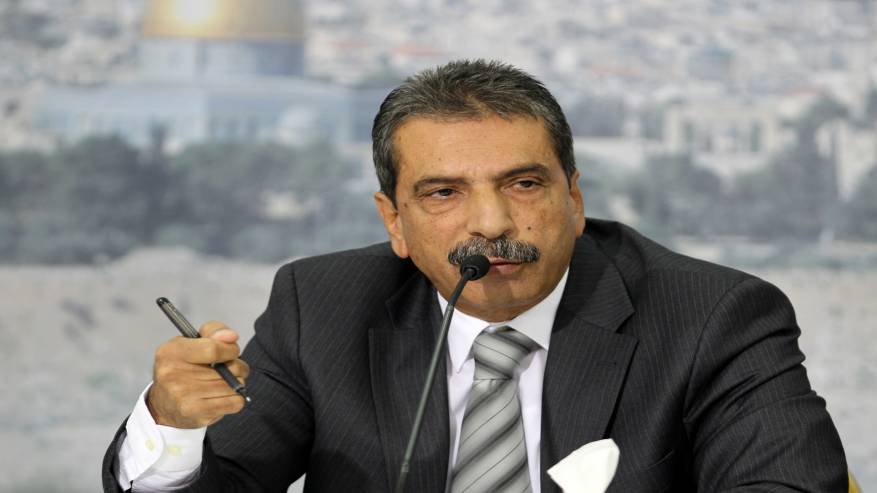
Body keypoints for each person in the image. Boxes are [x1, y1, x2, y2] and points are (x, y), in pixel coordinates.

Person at [102, 59, 847, 492]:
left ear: (573, 199)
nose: (490, 223)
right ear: (394, 221)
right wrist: (173, 426)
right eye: (443, 193)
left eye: (523, 184)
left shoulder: (713, 315)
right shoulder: (320, 307)